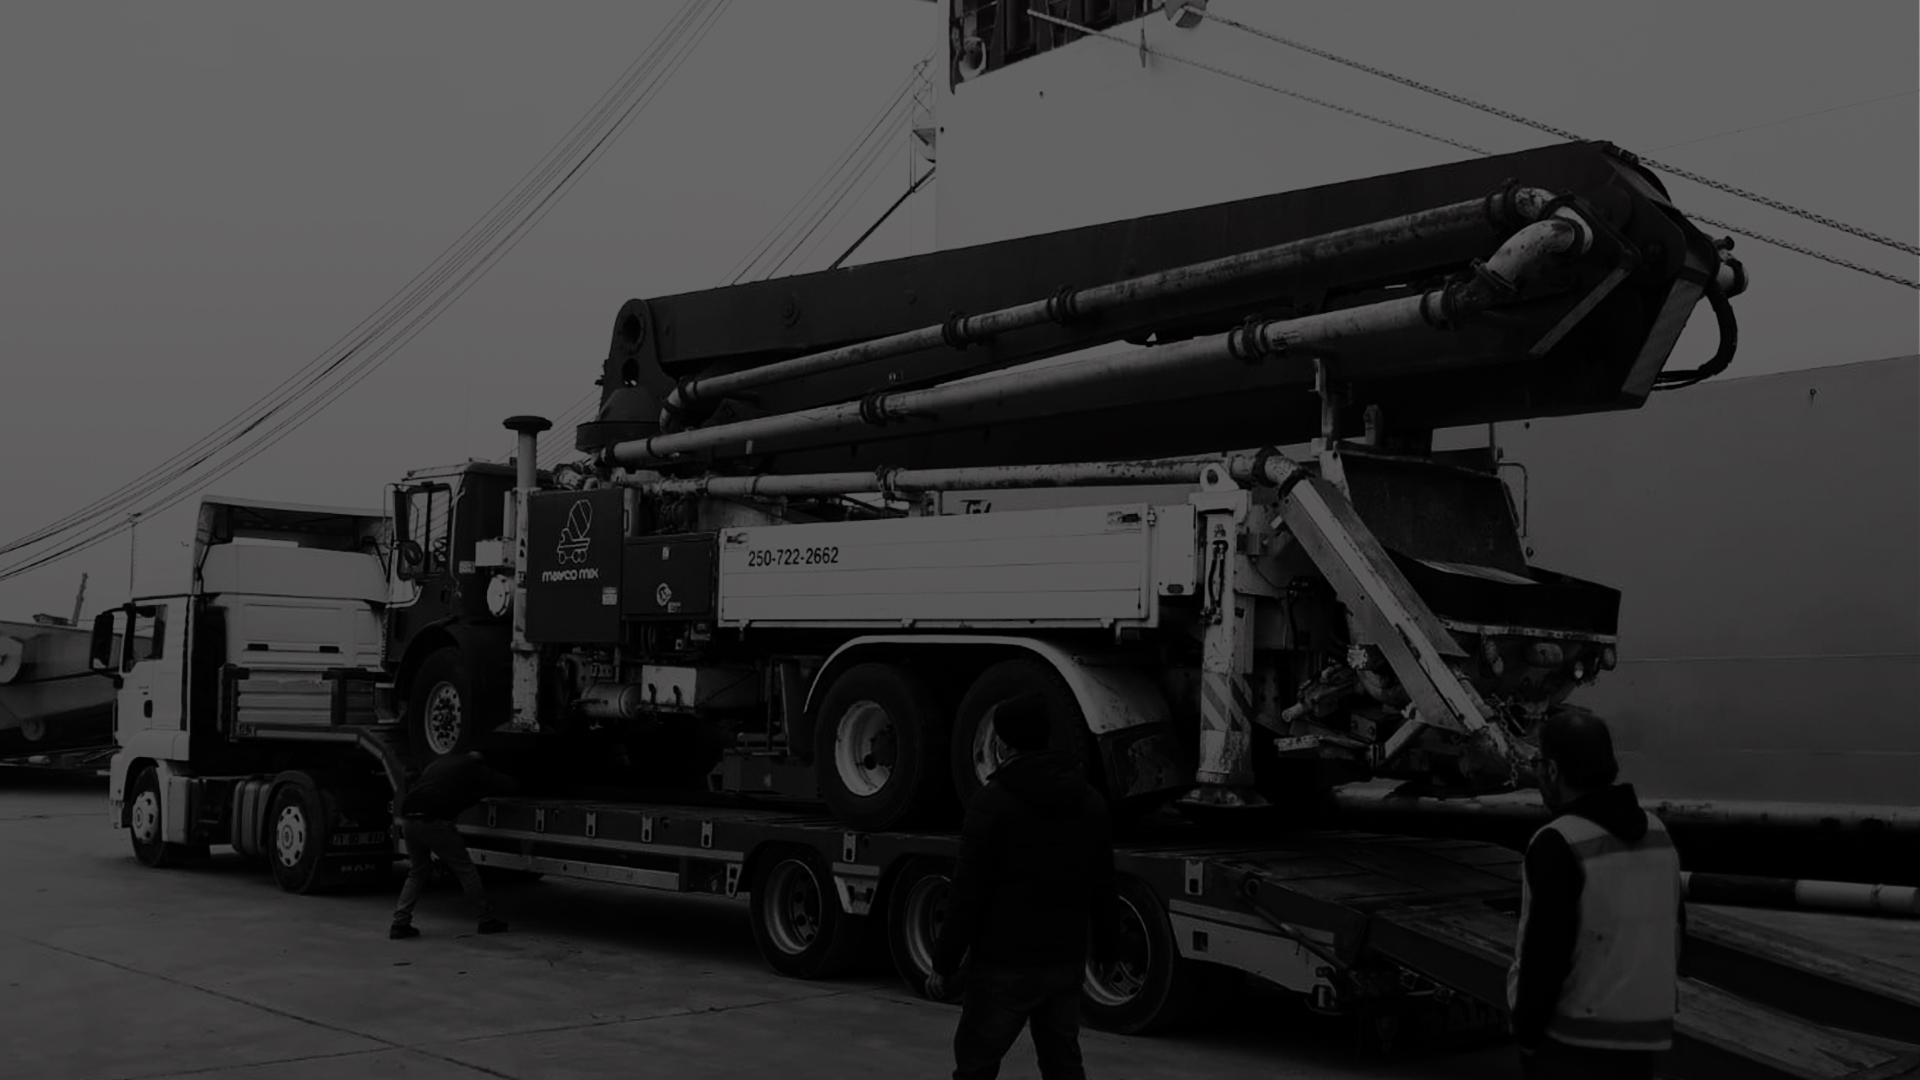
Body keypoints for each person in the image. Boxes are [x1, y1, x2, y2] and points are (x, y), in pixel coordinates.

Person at [927, 692, 1122, 1080]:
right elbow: (1103, 884)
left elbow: (966, 893)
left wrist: (944, 964)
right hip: (1064, 962)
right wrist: (1109, 948)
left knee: (976, 1066)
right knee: (1063, 1064)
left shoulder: (992, 802)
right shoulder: (1090, 801)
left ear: (1001, 742)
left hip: (1004, 963)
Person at [1508, 709, 1685, 1079]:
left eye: (1539, 763)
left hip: (1574, 1042)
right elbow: (1676, 931)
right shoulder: (1657, 832)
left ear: (1553, 770)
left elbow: (1545, 954)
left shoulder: (1559, 842)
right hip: (1644, 1037)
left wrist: (1526, 1032)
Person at [389, 749, 522, 940]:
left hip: (408, 817)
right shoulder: (475, 768)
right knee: (465, 869)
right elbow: (510, 786)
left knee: (418, 870)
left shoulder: (440, 763)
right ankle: (486, 920)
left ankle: (400, 923)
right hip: (435, 820)